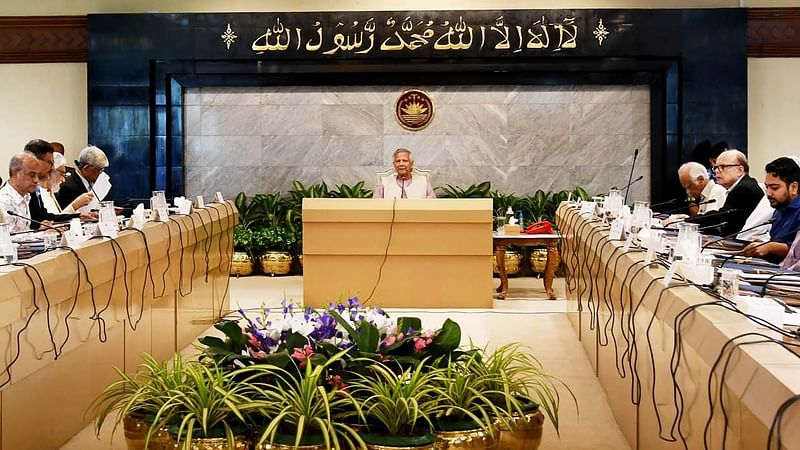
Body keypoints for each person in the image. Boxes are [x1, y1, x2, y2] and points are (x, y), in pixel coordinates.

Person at [686, 149, 764, 236]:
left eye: (722, 167)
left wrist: (687, 221)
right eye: (715, 167)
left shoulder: (744, 189)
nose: (716, 171)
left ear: (740, 170)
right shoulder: (741, 186)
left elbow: (721, 217)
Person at [743, 157, 800, 262]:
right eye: (767, 187)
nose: (768, 193)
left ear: (794, 187)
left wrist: (770, 247)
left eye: (774, 188)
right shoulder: (779, 209)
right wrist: (763, 245)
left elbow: (797, 252)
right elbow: (778, 242)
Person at [57, 145, 109, 210]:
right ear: (86, 167)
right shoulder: (68, 187)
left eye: (102, 170)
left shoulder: (98, 184)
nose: (101, 173)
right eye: (98, 170)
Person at [0, 153, 42, 233]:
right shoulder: (4, 200)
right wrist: (42, 235)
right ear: (16, 174)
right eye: (32, 175)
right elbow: (10, 238)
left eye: (37, 175)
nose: (36, 180)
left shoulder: (25, 196)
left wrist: (44, 232)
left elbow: (24, 232)